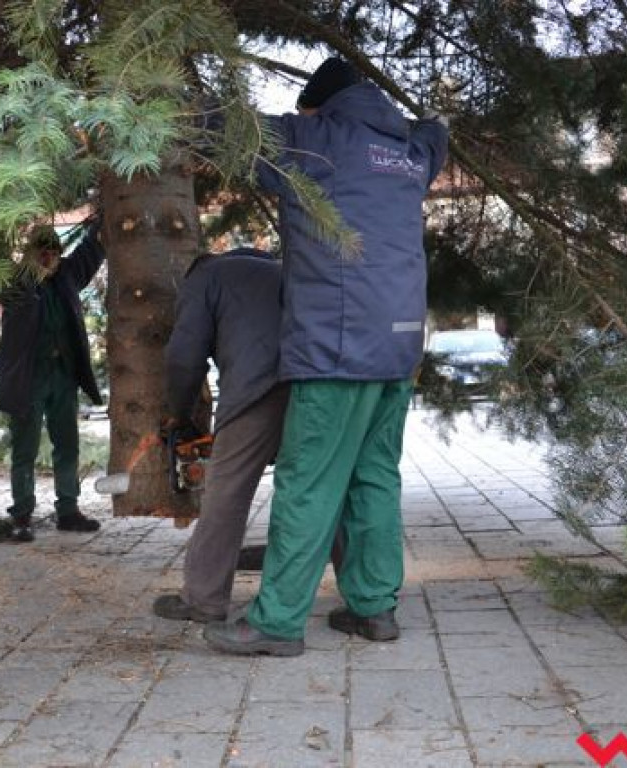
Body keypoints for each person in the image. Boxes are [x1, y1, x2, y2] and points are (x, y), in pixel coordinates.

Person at [205, 57, 449, 656]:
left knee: (308, 481)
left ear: (317, 107)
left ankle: (277, 622)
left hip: (337, 346)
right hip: (399, 344)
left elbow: (221, 127)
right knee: (374, 476)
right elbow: (437, 131)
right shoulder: (411, 152)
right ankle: (373, 609)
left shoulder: (312, 141)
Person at [152, 247, 287, 623]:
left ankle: (203, 599)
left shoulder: (201, 280)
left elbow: (183, 356)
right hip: (313, 383)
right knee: (316, 487)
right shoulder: (273, 269)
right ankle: (361, 596)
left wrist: (178, 413)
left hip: (254, 390)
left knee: (226, 490)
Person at [0, 221, 106, 542]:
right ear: (30, 254)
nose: (48, 259)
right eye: (41, 253)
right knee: (24, 450)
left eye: (53, 252)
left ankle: (68, 511)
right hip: (27, 380)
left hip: (63, 377)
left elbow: (92, 247)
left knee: (67, 445)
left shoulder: (67, 276)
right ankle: (21, 516)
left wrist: (103, 210)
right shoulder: (13, 283)